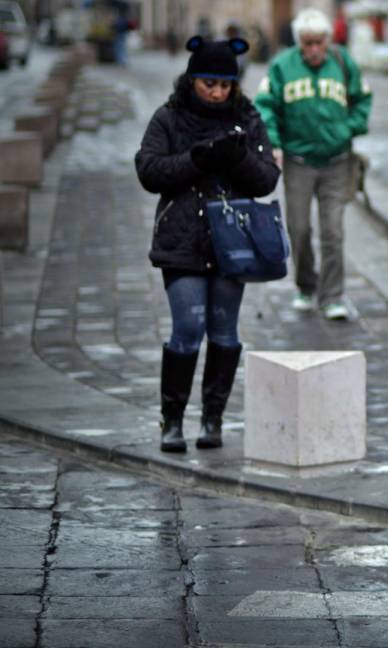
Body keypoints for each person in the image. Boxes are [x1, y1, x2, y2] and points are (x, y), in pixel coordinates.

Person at [135, 37, 281, 453]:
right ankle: (173, 420)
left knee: (224, 330)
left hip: (232, 241)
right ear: (192, 80)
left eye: (224, 85)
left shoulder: (247, 118)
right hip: (182, 238)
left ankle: (212, 419)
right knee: (187, 327)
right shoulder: (170, 118)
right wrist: (196, 158)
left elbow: (268, 178)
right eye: (208, 83)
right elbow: (149, 170)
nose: (217, 92)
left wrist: (236, 159)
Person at [255, 8, 373, 321]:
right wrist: (274, 143)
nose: (314, 50)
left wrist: (348, 129)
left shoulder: (343, 62)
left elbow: (362, 99)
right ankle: (306, 285)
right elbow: (265, 106)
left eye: (319, 42)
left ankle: (332, 295)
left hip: (337, 161)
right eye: (307, 43)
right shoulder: (282, 66)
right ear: (299, 43)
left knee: (333, 231)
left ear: (327, 41)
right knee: (299, 228)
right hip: (298, 161)